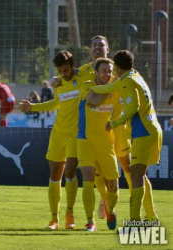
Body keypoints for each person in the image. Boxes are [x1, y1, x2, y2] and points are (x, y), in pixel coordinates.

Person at [51, 35, 133, 221]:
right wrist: (55, 80)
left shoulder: (118, 69)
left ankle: (141, 210)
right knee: (93, 172)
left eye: (101, 45)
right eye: (94, 44)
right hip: (93, 131)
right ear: (90, 49)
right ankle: (101, 207)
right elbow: (68, 77)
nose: (97, 48)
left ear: (108, 48)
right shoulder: (85, 72)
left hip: (118, 129)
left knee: (128, 170)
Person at [90, 50, 162, 223]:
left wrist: (115, 123)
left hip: (144, 132)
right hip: (151, 129)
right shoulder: (134, 76)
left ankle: (137, 219)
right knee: (139, 175)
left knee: (136, 175)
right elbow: (110, 87)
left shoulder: (127, 81)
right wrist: (88, 87)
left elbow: (133, 107)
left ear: (117, 66)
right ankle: (150, 216)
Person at [20, 50, 84, 230]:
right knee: (55, 174)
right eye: (60, 71)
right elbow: (56, 104)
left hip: (75, 133)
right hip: (58, 133)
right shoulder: (59, 83)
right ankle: (54, 219)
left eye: (66, 70)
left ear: (72, 65)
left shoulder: (84, 78)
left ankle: (69, 215)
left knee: (70, 172)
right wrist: (32, 107)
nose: (63, 74)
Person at [77, 58, 121, 232]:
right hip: (85, 139)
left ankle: (110, 210)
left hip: (106, 142)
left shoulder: (115, 88)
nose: (107, 74)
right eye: (104, 71)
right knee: (88, 177)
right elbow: (94, 100)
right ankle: (90, 222)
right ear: (96, 71)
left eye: (110, 71)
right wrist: (112, 88)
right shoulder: (86, 84)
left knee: (113, 186)